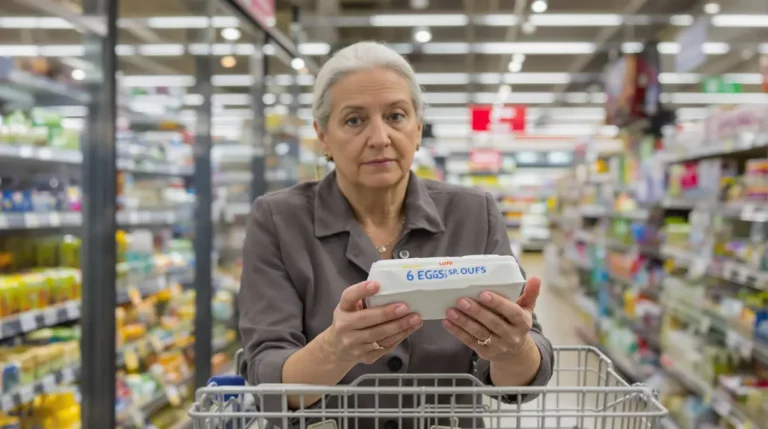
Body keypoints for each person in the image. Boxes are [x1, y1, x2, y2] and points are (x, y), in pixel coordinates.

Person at [238, 41, 554, 429]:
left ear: (418, 127)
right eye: (354, 120)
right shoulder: (279, 220)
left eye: (396, 116)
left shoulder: (473, 213)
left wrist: (512, 348)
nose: (380, 137)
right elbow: (267, 376)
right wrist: (335, 349)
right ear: (323, 135)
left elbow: (521, 380)